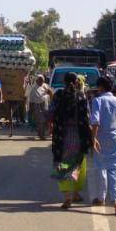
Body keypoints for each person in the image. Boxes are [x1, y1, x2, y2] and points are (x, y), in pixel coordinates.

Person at [50, 72, 91, 209]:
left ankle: (67, 197)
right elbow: (87, 116)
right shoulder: (81, 95)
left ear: (64, 81)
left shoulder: (58, 95)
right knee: (78, 164)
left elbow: (51, 112)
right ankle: (76, 193)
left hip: (62, 136)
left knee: (63, 164)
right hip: (79, 136)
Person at [89, 76, 116, 216]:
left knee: (101, 169)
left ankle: (101, 198)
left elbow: (95, 122)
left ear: (100, 87)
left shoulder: (97, 101)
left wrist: (93, 138)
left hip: (101, 139)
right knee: (115, 171)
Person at [28, 75, 52, 139]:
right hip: (37, 106)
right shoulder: (33, 88)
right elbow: (31, 100)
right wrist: (30, 110)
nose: (41, 81)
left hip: (45, 105)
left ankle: (41, 133)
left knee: (44, 121)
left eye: (42, 80)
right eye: (40, 80)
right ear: (37, 81)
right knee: (41, 121)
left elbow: (50, 93)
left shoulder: (45, 86)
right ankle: (41, 135)